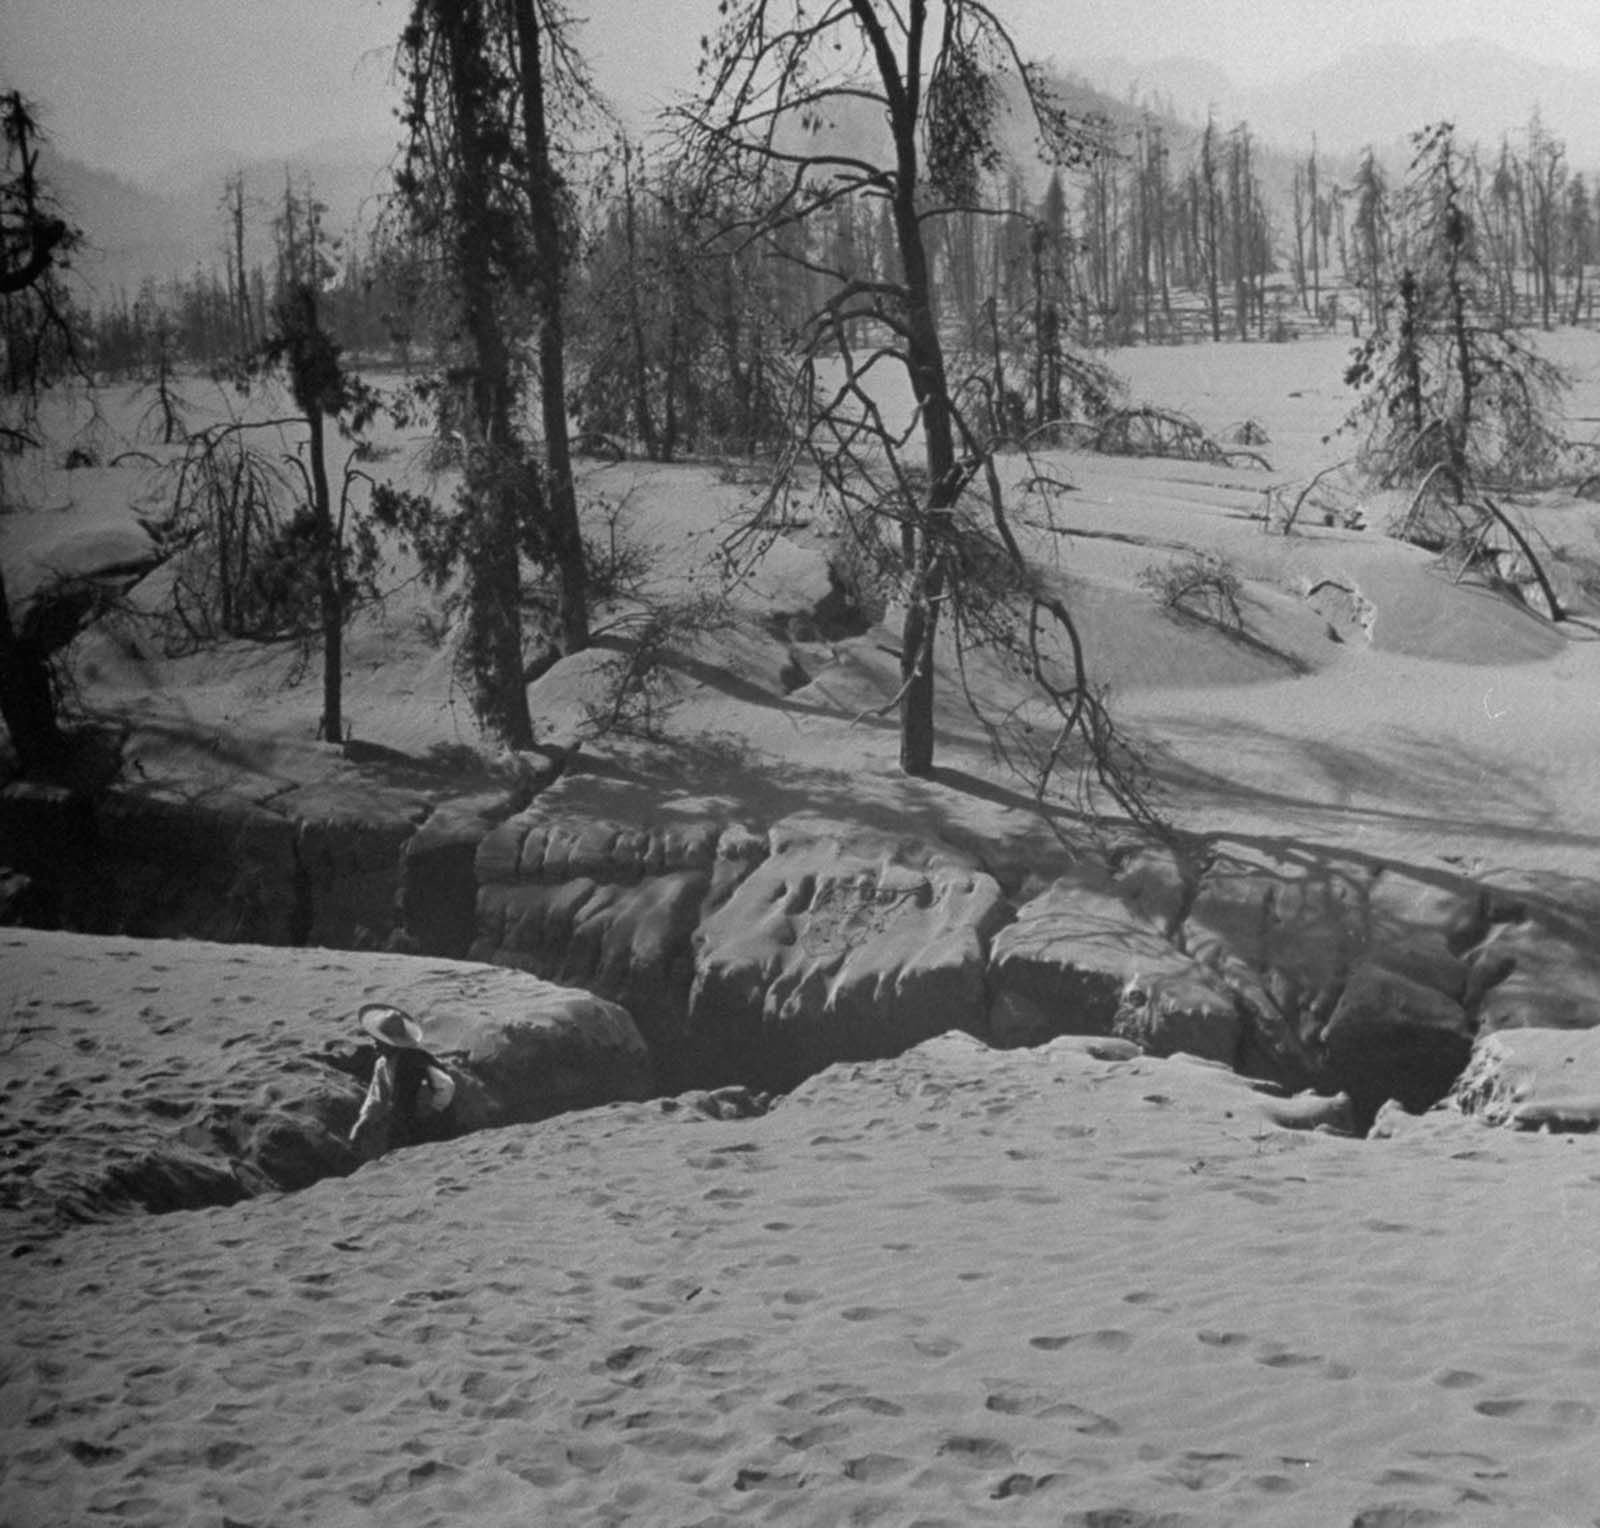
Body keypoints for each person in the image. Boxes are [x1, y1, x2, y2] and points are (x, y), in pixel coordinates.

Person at [349, 1003, 457, 1160]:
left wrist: (433, 1110)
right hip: (401, 1124)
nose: (375, 1044)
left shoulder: (416, 1060)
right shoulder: (381, 1065)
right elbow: (377, 1097)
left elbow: (446, 1085)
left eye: (379, 1041)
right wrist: (362, 1122)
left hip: (427, 1127)